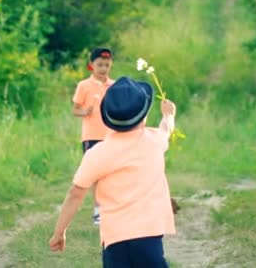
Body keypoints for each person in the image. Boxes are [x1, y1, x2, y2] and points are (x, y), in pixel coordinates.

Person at [51, 77, 177, 267]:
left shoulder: (97, 154)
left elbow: (75, 194)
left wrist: (60, 231)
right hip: (149, 236)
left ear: (108, 118)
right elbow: (166, 129)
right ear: (144, 116)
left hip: (114, 239)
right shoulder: (154, 141)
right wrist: (169, 115)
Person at [72, 47, 114, 225]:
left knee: (111, 175)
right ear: (91, 65)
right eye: (99, 65)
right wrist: (85, 112)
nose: (103, 69)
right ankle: (98, 212)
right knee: (96, 175)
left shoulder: (113, 86)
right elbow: (75, 110)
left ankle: (111, 209)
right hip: (91, 136)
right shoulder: (84, 85)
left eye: (107, 65)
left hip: (112, 136)